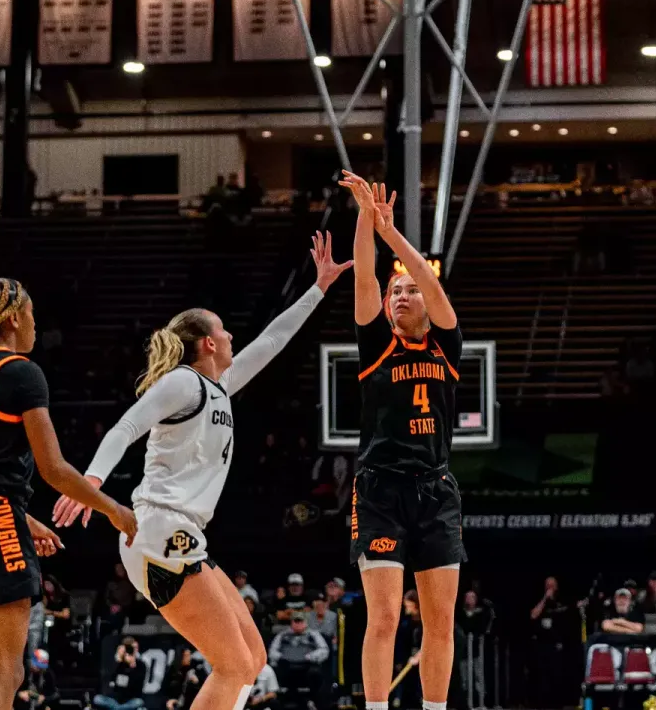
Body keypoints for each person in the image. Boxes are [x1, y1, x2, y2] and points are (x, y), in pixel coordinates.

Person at [53, 234, 351, 710]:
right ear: (209, 342)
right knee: (233, 664)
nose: (234, 337)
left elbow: (272, 340)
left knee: (252, 660)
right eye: (226, 332)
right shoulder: (182, 382)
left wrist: (318, 288)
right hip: (156, 529)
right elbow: (126, 426)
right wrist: (92, 481)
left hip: (183, 532)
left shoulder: (219, 385)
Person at [0, 278, 137, 710]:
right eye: (31, 314)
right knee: (6, 670)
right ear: (13, 317)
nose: (33, 324)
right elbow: (55, 469)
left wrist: (20, 516)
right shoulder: (21, 372)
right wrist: (116, 510)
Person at [337, 172, 465, 710]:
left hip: (435, 492)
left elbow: (431, 285)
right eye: (397, 292)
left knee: (440, 622)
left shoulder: (446, 345)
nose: (402, 296)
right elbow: (364, 274)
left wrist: (394, 236)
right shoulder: (376, 347)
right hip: (381, 492)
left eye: (410, 290)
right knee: (385, 616)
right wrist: (367, 220)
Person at [94, 639, 146, 710]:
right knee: (97, 699)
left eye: (135, 648)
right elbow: (110, 683)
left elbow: (137, 685)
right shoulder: (118, 664)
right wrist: (119, 662)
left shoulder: (141, 665)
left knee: (139, 702)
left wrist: (132, 666)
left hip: (130, 699)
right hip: (113, 699)